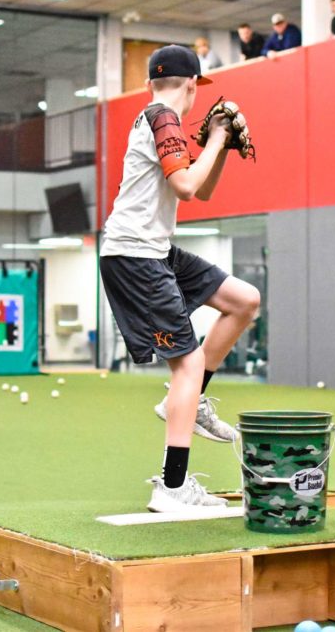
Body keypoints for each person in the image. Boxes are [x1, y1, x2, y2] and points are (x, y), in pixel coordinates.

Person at [99, 44, 261, 512]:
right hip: (137, 256)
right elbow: (187, 188)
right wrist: (215, 136)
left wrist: (221, 145)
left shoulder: (156, 118)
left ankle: (187, 400)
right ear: (193, 84)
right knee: (187, 364)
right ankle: (171, 488)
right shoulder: (163, 119)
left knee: (244, 300)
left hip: (153, 251)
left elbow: (201, 190)